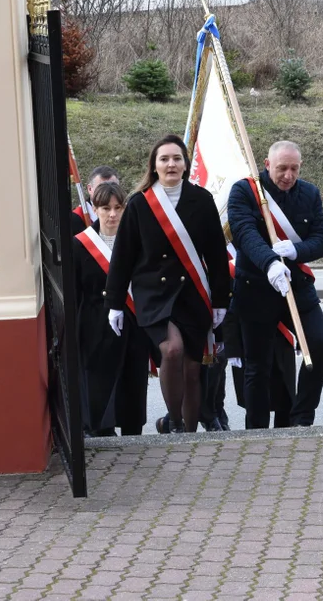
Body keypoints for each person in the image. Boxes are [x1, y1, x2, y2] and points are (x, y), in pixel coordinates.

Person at [105, 135, 230, 433]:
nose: (171, 164)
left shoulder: (201, 200)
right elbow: (123, 256)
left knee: (191, 368)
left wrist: (222, 300)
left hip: (192, 293)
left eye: (176, 158)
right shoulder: (139, 204)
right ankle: (173, 422)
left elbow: (216, 253)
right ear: (154, 166)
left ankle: (188, 433)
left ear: (186, 165)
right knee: (171, 350)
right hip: (155, 294)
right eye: (164, 159)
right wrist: (114, 303)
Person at [228, 140, 323, 428]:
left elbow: (322, 238)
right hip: (257, 285)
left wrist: (297, 251)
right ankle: (257, 429)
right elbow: (244, 232)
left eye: (294, 169)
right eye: (282, 168)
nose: (288, 176)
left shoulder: (309, 193)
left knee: (320, 345)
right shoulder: (245, 191)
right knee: (257, 365)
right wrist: (270, 261)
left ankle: (301, 418)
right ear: (266, 164)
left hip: (296, 285)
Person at [72, 181, 150, 437]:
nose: (113, 214)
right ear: (95, 209)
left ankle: (132, 434)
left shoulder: (137, 241)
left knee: (133, 382)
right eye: (106, 208)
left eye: (118, 207)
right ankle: (101, 433)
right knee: (100, 385)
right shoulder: (80, 244)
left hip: (132, 322)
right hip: (95, 325)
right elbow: (75, 291)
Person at [72, 165, 120, 234]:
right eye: (101, 188)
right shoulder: (75, 219)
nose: (108, 192)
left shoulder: (127, 214)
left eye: (114, 187)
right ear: (90, 189)